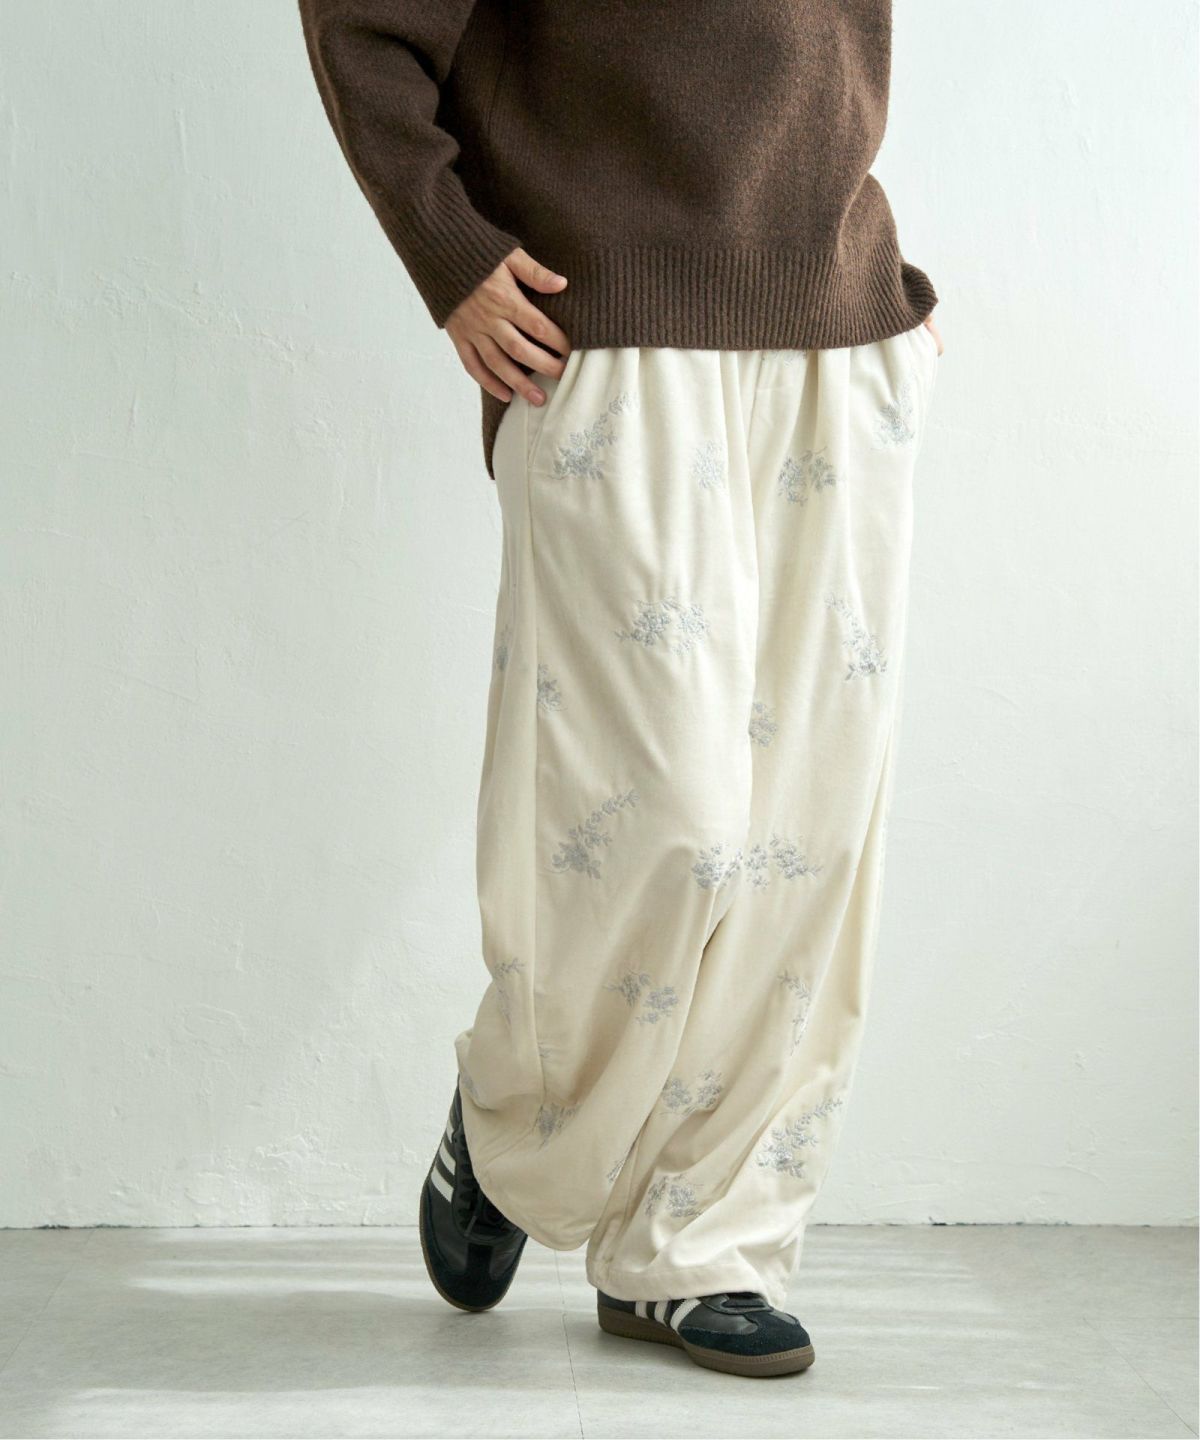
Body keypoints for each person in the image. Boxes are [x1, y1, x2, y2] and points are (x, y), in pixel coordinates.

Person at [299, 0, 942, 1380]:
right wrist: (449, 250)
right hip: (603, 333)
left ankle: (699, 1250)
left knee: (804, 849)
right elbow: (363, 21)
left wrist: (884, 302)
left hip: (839, 333)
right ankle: (515, 1117)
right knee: (670, 820)